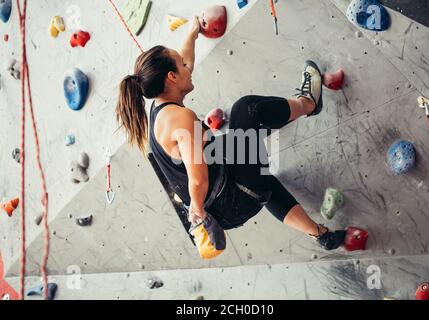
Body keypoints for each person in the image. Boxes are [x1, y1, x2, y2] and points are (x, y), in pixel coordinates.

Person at [115, 17, 346, 250]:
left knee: (258, 173)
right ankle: (308, 103)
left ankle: (321, 235)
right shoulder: (180, 120)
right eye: (182, 66)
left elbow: (184, 60)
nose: (188, 67)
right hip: (233, 199)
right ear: (172, 77)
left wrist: (193, 34)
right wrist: (196, 210)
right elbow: (198, 179)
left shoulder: (159, 106)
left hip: (224, 195)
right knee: (245, 110)